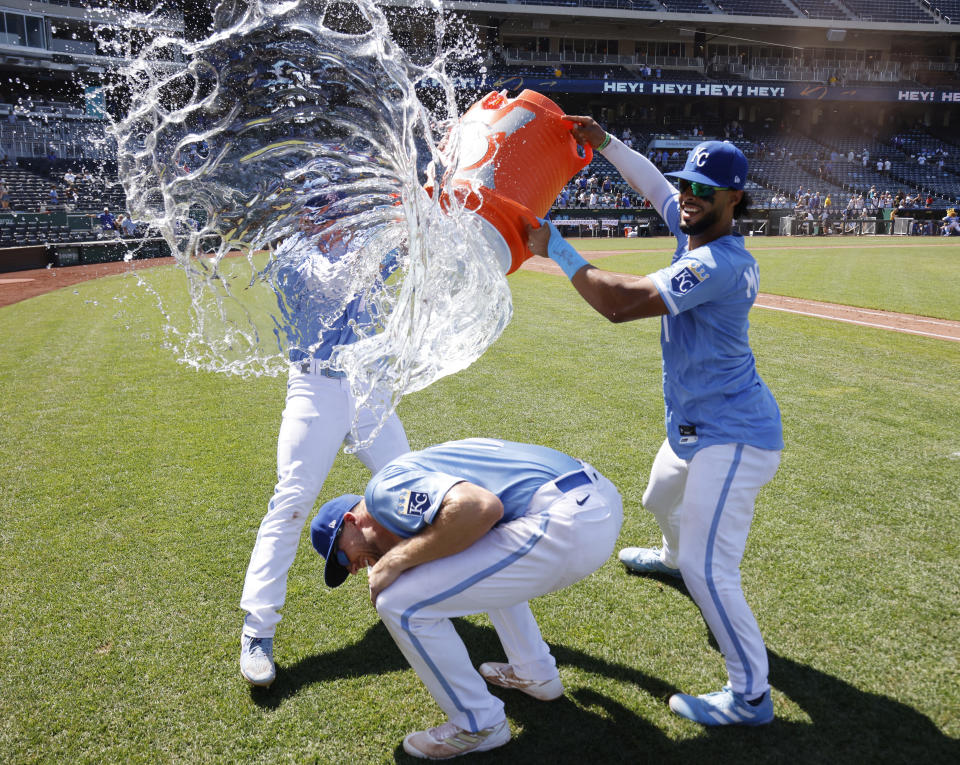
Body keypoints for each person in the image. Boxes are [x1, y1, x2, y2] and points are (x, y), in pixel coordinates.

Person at [527, 120, 783, 728]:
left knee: (709, 568)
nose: (688, 194)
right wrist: (606, 139)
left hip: (735, 435)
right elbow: (651, 184)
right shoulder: (694, 227)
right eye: (687, 181)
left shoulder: (718, 260)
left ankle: (751, 698)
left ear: (734, 200)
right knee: (656, 496)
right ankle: (671, 557)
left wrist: (558, 248)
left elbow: (620, 303)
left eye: (704, 188)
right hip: (695, 426)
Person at [309, 437, 623, 759]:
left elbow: (478, 507)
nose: (351, 570)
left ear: (350, 521)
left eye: (342, 557)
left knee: (399, 605)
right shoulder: (412, 483)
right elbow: (476, 522)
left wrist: (393, 560)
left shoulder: (382, 491)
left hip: (566, 518)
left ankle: (478, 723)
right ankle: (535, 672)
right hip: (595, 501)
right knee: (476, 553)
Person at [239, 194, 410, 688]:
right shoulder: (293, 253)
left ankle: (433, 595)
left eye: (341, 210)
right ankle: (258, 631)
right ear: (307, 216)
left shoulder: (363, 241)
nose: (335, 220)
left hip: (367, 386)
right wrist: (384, 233)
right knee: (291, 499)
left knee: (412, 487)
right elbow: (331, 283)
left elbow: (415, 247)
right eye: (325, 211)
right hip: (315, 386)